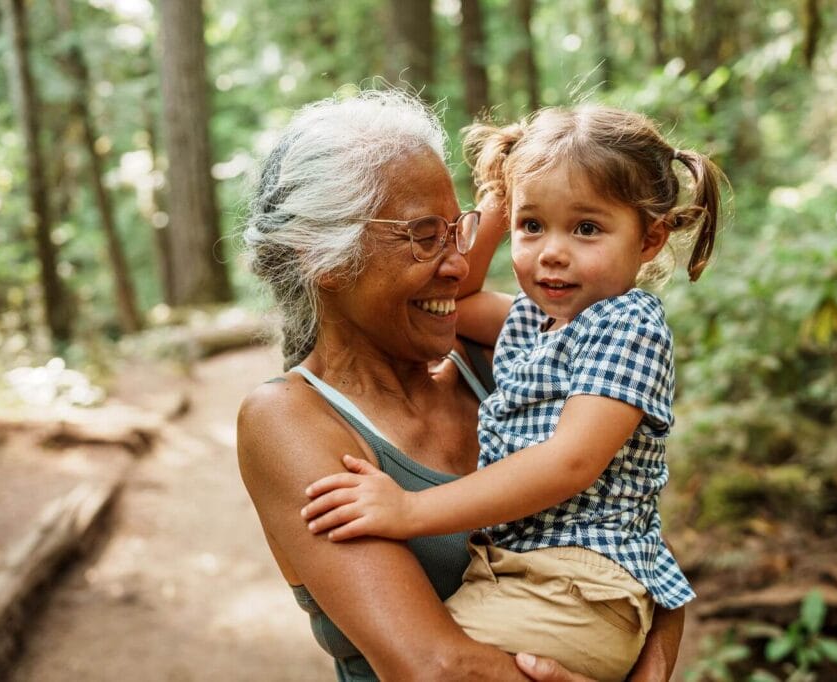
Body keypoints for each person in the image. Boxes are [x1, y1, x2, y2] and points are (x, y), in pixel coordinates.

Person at [238, 91, 686, 682]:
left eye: (461, 230)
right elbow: (435, 667)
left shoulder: (507, 355)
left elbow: (630, 529)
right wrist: (511, 197)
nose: (456, 261)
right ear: (325, 258)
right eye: (426, 235)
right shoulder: (288, 420)